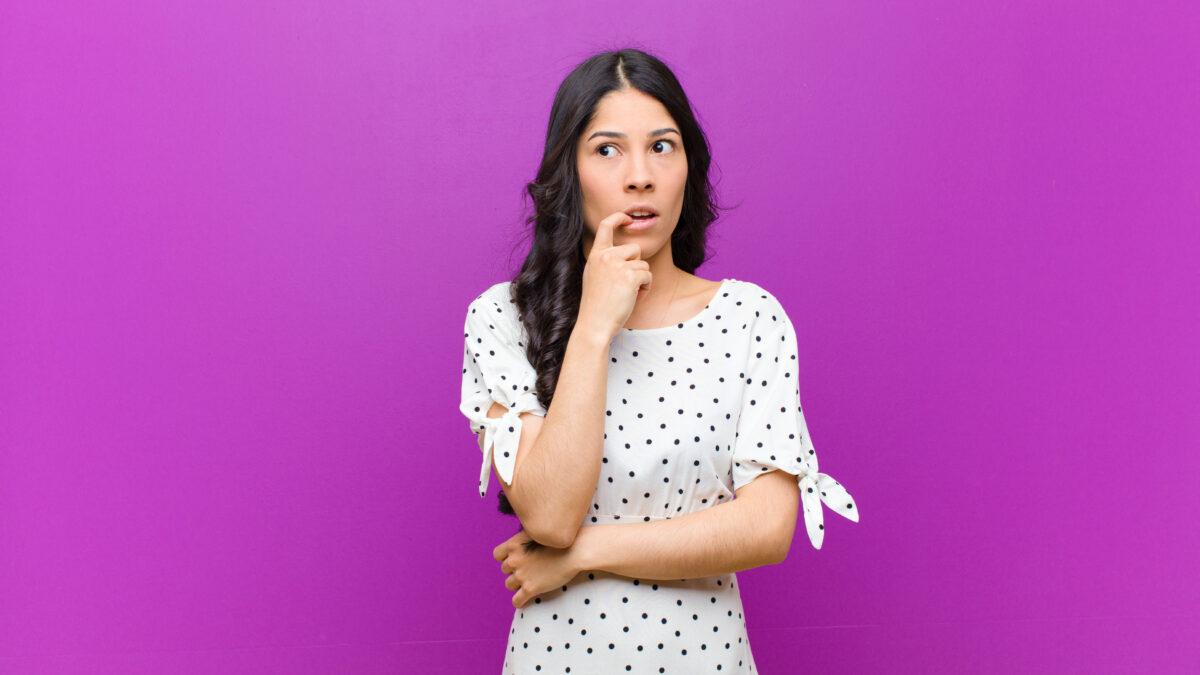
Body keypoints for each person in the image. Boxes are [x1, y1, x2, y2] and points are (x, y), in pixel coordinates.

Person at [459, 47, 859, 674]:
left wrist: (580, 555)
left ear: (688, 171)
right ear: (571, 173)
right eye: (608, 149)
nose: (639, 175)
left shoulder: (749, 319)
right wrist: (593, 326)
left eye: (663, 146)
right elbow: (549, 516)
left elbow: (766, 528)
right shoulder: (500, 319)